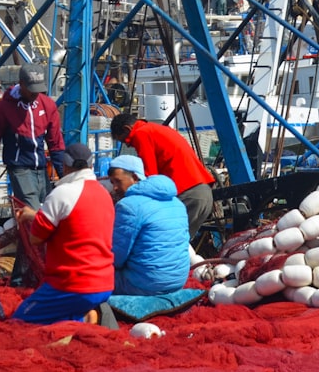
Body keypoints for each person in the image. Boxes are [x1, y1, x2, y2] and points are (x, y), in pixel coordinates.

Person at [12, 142, 115, 325]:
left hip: (71, 285)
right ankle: (83, 317)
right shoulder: (104, 193)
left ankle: (83, 317)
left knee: (19, 322)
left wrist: (35, 219)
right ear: (91, 165)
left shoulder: (61, 193)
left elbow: (36, 239)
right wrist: (35, 215)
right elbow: (77, 221)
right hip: (104, 283)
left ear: (65, 166)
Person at [109, 112, 214, 238]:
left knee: (166, 242)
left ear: (127, 129)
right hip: (203, 192)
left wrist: (129, 198)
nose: (128, 145)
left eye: (126, 141)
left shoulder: (142, 134)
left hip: (187, 194)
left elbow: (150, 177)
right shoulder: (159, 129)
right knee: (180, 245)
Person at [0, 63, 66, 209]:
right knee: (33, 212)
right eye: (31, 90)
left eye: (38, 90)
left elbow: (56, 143)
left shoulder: (48, 105)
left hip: (41, 168)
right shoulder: (4, 108)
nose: (35, 94)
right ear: (21, 84)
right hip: (19, 168)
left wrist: (65, 177)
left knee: (50, 210)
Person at [108, 154, 190, 296]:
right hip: (177, 281)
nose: (114, 187)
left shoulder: (129, 205)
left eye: (117, 181)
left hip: (146, 284)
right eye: (112, 182)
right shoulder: (177, 202)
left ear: (134, 177)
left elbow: (116, 257)